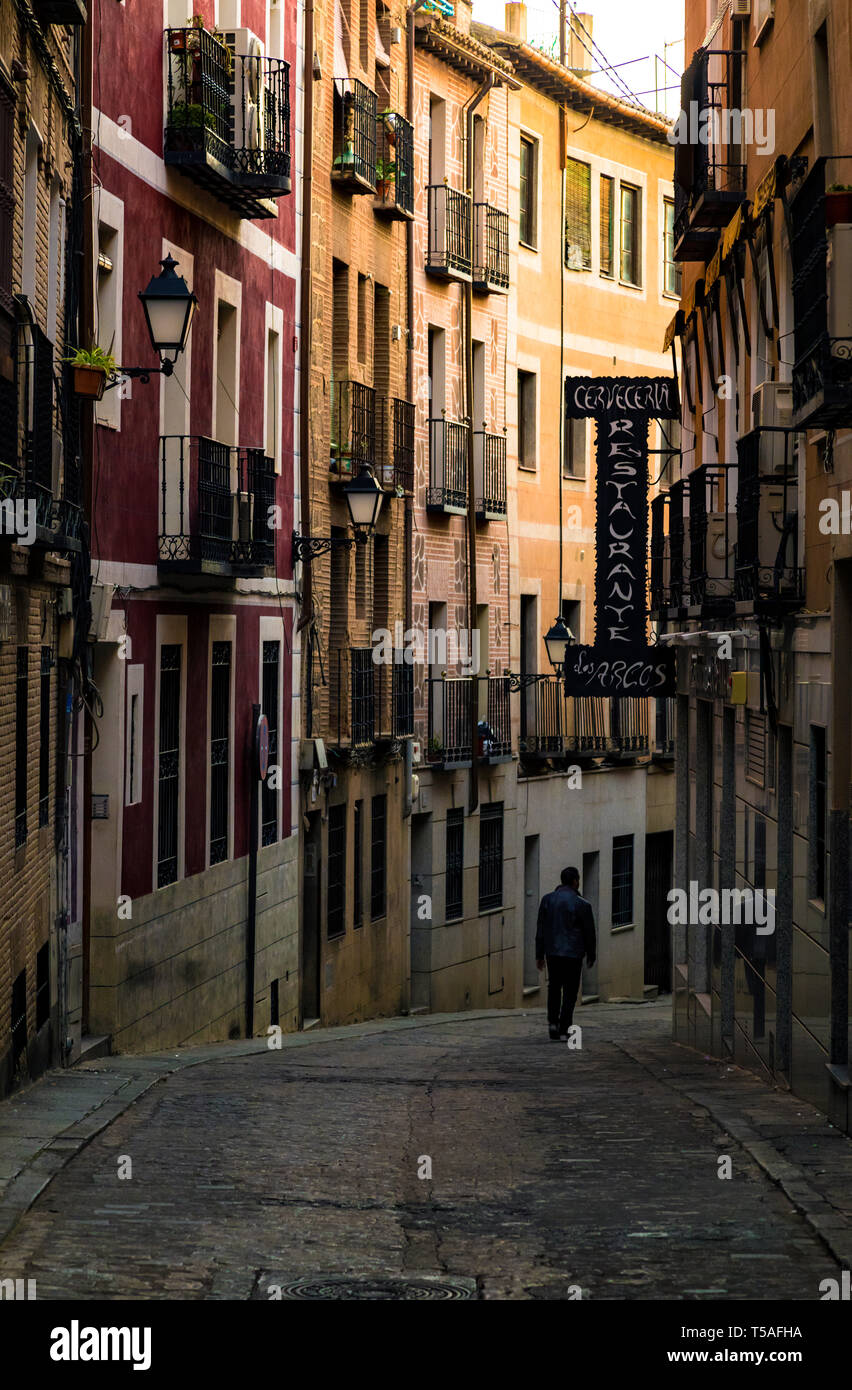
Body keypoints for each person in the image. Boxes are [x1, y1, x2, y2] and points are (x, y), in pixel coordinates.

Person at [535, 866, 596, 1040]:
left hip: (553, 952)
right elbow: (589, 932)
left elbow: (541, 929)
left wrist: (539, 954)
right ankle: (565, 1026)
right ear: (575, 881)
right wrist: (591, 954)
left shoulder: (547, 900)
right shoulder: (582, 904)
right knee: (570, 991)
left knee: (554, 987)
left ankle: (553, 1022)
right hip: (573, 954)